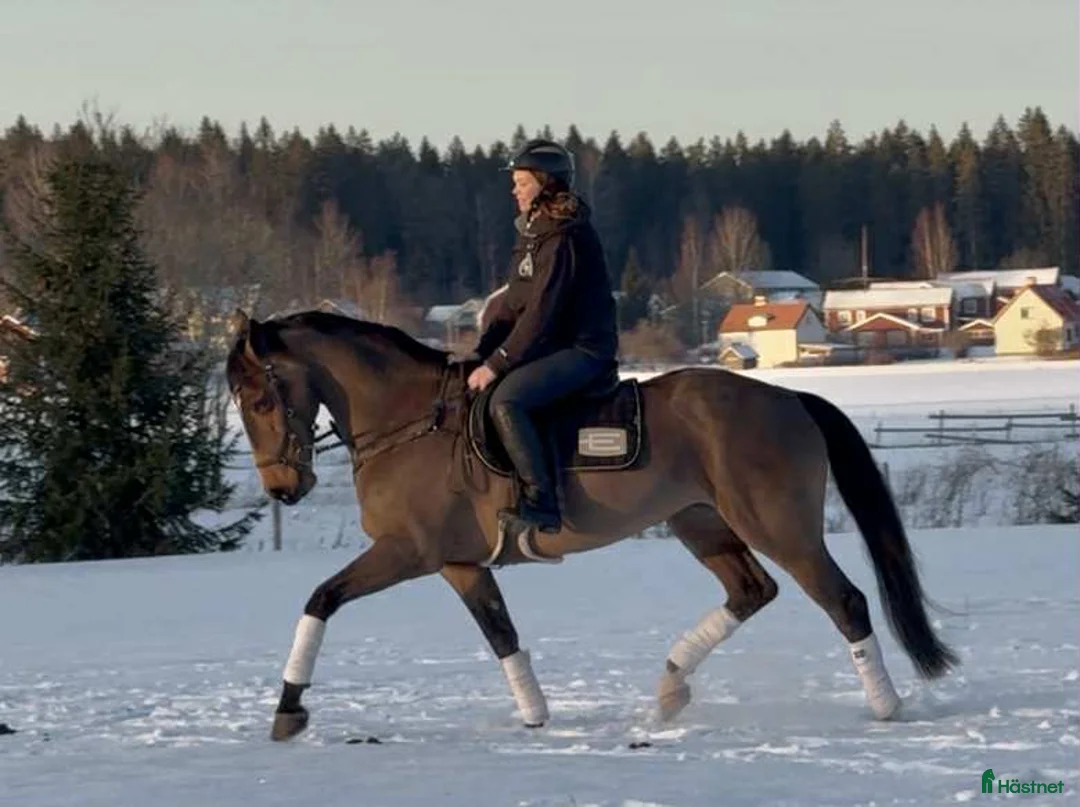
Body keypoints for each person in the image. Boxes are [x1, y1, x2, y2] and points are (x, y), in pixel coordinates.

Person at [462, 138, 619, 535]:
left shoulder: (564, 236)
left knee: (507, 400)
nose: (514, 191)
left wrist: (497, 364)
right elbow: (513, 303)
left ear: (547, 184)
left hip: (584, 349)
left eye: (522, 183)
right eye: (514, 183)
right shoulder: (533, 234)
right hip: (552, 346)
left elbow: (542, 314)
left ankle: (541, 500)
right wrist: (480, 354)